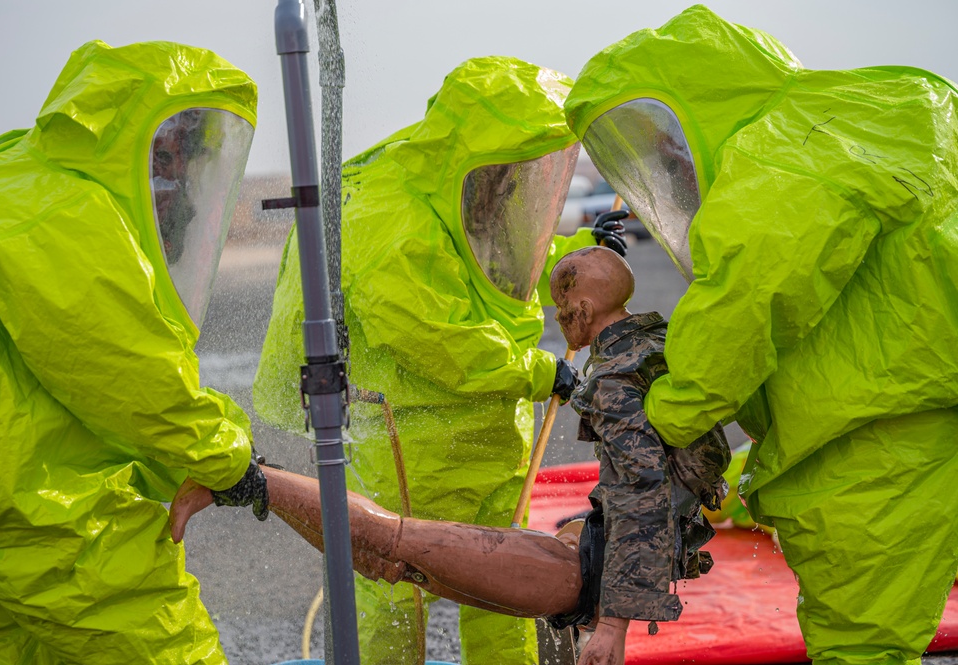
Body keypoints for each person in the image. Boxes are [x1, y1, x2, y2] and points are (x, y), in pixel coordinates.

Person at [563, 5, 958, 663]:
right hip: (918, 406)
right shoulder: (884, 110)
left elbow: (747, 296)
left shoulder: (781, 152)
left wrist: (668, 410)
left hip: (876, 439)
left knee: (860, 642)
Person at [178, 246, 729, 665]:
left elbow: (641, 501)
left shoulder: (614, 379)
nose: (558, 320)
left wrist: (612, 626)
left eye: (563, 311)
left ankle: (251, 482)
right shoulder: (655, 346)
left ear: (586, 308)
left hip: (576, 575)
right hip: (583, 559)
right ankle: (252, 483)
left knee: (389, 548)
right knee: (392, 555)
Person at [253, 56, 626, 665]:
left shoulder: (465, 188)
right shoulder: (389, 219)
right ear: (475, 147)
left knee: (503, 587)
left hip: (491, 442)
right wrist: (533, 372)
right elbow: (440, 336)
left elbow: (496, 264)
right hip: (413, 448)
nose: (514, 184)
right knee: (395, 577)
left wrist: (575, 254)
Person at [0, 41, 269, 664]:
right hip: (49, 510)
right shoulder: (70, 214)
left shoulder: (5, 176)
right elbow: (132, 381)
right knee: (173, 649)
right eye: (170, 154)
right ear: (137, 142)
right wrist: (231, 461)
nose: (176, 182)